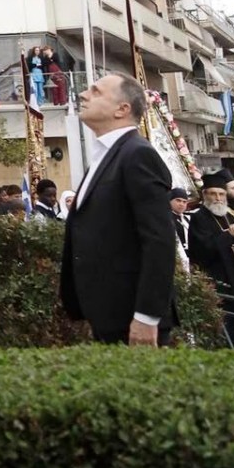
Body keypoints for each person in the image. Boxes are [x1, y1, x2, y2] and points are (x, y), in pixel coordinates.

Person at [58, 73, 177, 345]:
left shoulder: (137, 154)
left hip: (132, 317)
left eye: (96, 91)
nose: (84, 95)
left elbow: (159, 240)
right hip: (105, 314)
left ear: (122, 109)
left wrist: (147, 316)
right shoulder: (106, 155)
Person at [187, 175, 234, 347]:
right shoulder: (199, 218)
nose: (218, 198)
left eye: (221, 194)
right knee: (225, 334)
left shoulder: (229, 216)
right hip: (217, 285)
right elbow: (203, 250)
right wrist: (228, 235)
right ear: (205, 194)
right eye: (213, 194)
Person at [169, 188, 190, 274]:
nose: (181, 204)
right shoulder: (167, 218)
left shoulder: (187, 219)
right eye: (178, 200)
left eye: (184, 202)